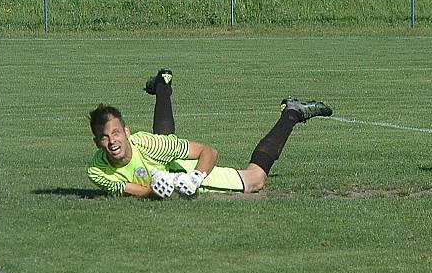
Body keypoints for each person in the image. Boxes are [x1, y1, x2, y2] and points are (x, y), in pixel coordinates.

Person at [87, 69, 333, 198]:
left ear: (126, 132)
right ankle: (163, 83)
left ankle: (291, 113)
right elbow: (130, 190)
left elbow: (209, 151)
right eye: (105, 138)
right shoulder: (96, 170)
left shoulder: (146, 144)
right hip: (167, 167)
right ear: (97, 143)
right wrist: (156, 189)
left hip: (184, 169)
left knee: (255, 180)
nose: (113, 142)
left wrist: (195, 177)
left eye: (116, 133)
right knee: (165, 142)